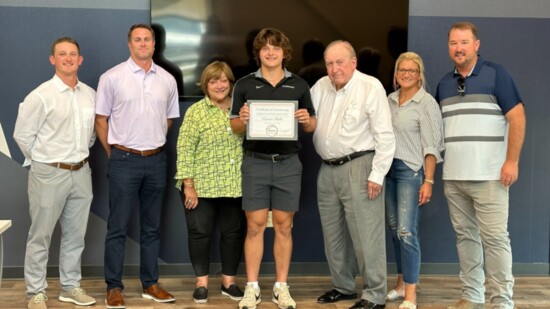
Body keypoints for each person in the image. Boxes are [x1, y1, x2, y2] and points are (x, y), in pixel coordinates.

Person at [435, 22, 525, 309]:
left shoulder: (497, 74)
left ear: (476, 45)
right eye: (453, 43)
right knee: (465, 239)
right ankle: (472, 296)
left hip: (490, 176)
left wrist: (511, 161)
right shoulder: (444, 83)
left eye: (464, 42)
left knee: (496, 240)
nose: (458, 48)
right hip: (454, 177)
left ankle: (502, 302)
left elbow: (518, 118)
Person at [230, 27, 316, 309]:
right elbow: (234, 127)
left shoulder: (300, 86)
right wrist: (242, 119)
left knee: (284, 226)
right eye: (265, 47)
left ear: (284, 52)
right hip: (255, 163)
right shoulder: (244, 84)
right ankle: (252, 288)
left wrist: (306, 120)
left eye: (275, 47)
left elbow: (312, 124)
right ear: (259, 53)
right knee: (254, 227)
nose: (270, 52)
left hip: (288, 164)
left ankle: (281, 287)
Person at [95, 23, 180, 309]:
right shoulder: (112, 77)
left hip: (156, 160)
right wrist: (116, 152)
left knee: (151, 228)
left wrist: (151, 144)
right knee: (117, 226)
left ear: (154, 45)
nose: (143, 44)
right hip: (124, 160)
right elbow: (101, 120)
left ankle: (150, 284)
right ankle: (114, 287)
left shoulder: (167, 79)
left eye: (148, 40)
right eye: (137, 40)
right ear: (129, 44)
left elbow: (168, 120)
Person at [13, 37, 97, 309]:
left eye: (73, 54)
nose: (68, 58)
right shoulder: (41, 96)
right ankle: (35, 292)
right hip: (48, 174)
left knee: (75, 235)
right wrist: (44, 162)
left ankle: (70, 287)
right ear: (53, 59)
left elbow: (92, 135)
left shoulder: (90, 94)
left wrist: (77, 158)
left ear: (80, 59)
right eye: (62, 54)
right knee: (40, 235)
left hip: (82, 173)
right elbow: (23, 136)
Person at [311, 40, 395, 309]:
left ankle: (375, 294)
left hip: (361, 167)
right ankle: (343, 286)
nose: (334, 69)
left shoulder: (370, 87)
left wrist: (377, 174)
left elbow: (385, 135)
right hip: (327, 170)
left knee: (366, 235)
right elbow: (304, 116)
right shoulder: (320, 87)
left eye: (340, 62)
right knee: (332, 234)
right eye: (330, 63)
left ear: (354, 62)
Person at [174, 61, 246, 303]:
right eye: (213, 81)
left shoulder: (241, 110)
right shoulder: (196, 111)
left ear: (230, 83)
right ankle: (201, 283)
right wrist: (188, 186)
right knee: (199, 233)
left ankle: (229, 283)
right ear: (205, 85)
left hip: (235, 185)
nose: (219, 85)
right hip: (200, 186)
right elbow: (184, 149)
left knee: (233, 233)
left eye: (224, 80)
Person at [384, 52, 444, 309]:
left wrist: (428, 180)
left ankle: (411, 294)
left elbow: (432, 146)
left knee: (407, 232)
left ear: (419, 75)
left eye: (412, 70)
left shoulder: (427, 103)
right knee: (394, 230)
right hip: (388, 171)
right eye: (402, 70)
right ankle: (400, 284)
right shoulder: (389, 100)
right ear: (396, 74)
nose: (406, 74)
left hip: (411, 171)